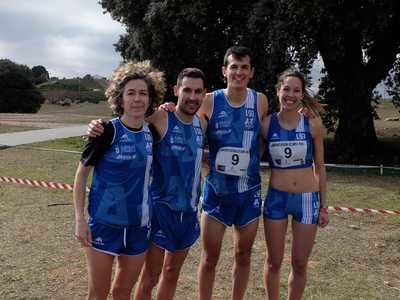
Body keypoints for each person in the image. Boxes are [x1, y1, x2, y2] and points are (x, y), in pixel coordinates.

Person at [87, 68, 207, 300]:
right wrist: (97, 126)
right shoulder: (161, 118)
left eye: (198, 91)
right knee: (150, 278)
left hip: (189, 213)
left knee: (172, 274)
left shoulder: (201, 124)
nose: (192, 96)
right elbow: (130, 120)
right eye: (187, 90)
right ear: (176, 91)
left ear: (204, 94)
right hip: (159, 211)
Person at [73, 60, 165, 300]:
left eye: (143, 93)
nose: (137, 99)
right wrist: (79, 219)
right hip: (104, 224)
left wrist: (170, 108)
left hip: (139, 227)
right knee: (98, 294)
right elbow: (81, 174)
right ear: (120, 98)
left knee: (122, 292)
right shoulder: (106, 131)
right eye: (131, 93)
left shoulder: (152, 133)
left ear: (150, 98)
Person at [197, 46, 268, 300]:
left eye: (244, 67)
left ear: (251, 72)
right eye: (234, 67)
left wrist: (252, 162)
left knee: (243, 255)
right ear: (224, 71)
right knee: (209, 258)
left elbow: (263, 139)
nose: (238, 72)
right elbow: (193, 135)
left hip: (248, 193)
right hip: (217, 191)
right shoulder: (210, 100)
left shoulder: (259, 100)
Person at [261, 69, 329, 300]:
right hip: (276, 199)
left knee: (300, 263)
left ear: (302, 94)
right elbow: (249, 156)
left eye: (296, 90)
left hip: (307, 199)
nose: (290, 94)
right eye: (286, 89)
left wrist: (324, 206)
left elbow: (320, 167)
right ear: (278, 91)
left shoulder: (313, 124)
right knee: (273, 262)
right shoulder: (266, 124)